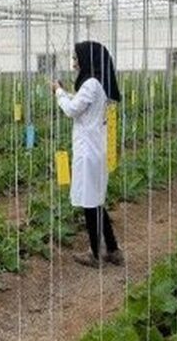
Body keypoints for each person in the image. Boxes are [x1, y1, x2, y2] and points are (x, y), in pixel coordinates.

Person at [51, 41, 124, 268]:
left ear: (88, 59)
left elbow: (72, 110)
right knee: (96, 201)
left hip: (88, 151)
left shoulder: (91, 83)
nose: (74, 63)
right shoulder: (97, 83)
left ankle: (95, 254)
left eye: (76, 58)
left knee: (90, 203)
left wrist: (58, 92)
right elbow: (81, 103)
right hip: (95, 149)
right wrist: (65, 93)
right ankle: (112, 249)